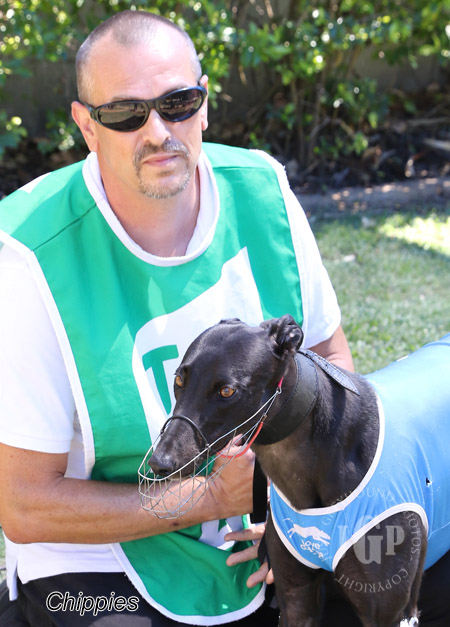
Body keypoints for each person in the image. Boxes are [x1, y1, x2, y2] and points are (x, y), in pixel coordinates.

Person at [0, 9, 357, 626]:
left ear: (205, 104)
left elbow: (332, 366)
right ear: (87, 125)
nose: (158, 131)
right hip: (96, 565)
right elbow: (24, 504)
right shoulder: (27, 254)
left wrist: (294, 512)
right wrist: (207, 498)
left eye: (178, 103)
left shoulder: (262, 189)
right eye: (126, 113)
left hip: (266, 526)